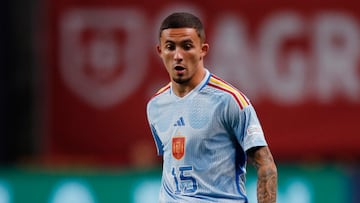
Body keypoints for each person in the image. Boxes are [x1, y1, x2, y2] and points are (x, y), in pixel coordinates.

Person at [146, 12, 277, 203]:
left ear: (203, 50)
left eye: (187, 46)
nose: (178, 56)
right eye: (170, 47)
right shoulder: (155, 106)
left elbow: (266, 165)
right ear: (160, 51)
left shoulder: (230, 101)